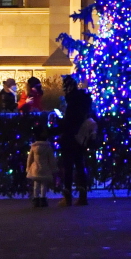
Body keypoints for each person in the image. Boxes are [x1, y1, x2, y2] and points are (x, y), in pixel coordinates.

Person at [56, 75, 95, 206]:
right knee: (80, 165)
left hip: (70, 137)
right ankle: (83, 196)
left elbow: (69, 122)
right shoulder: (83, 101)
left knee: (68, 167)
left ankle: (67, 198)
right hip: (80, 138)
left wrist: (57, 125)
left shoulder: (72, 102)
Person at [25, 136, 56, 208]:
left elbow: (29, 159)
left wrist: (28, 167)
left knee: (36, 184)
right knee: (44, 184)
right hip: (45, 168)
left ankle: (36, 199)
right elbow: (51, 159)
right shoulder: (48, 148)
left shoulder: (33, 147)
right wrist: (53, 168)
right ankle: (43, 199)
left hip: (35, 168)